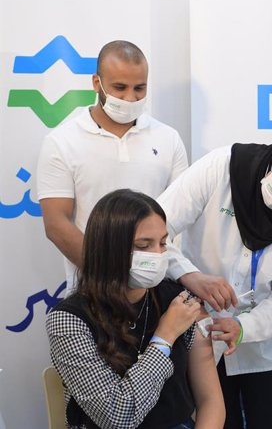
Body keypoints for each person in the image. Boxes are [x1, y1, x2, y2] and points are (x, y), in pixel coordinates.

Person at [156, 128, 272, 429]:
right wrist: (190, 276)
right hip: (203, 335)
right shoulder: (221, 168)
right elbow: (155, 228)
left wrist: (244, 327)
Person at [46, 189, 224, 428]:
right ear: (109, 249)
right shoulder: (69, 320)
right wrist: (165, 336)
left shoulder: (182, 302)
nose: (159, 256)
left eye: (162, 243)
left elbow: (211, 400)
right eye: (143, 245)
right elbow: (117, 418)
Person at [37, 40, 188, 293]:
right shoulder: (62, 142)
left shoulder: (168, 138)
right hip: (93, 292)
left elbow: (179, 218)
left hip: (158, 291)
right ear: (97, 83)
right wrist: (111, 277)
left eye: (139, 88)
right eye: (120, 88)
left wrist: (179, 274)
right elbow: (56, 224)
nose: (130, 98)